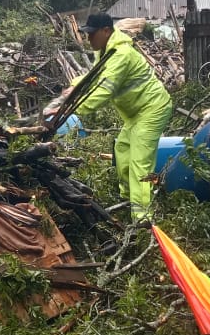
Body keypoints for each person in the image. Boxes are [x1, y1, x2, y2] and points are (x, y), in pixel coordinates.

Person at [71, 13, 172, 220]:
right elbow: (94, 78)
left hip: (153, 109)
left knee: (139, 163)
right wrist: (72, 88)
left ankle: (143, 220)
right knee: (122, 151)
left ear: (106, 31)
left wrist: (75, 108)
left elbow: (104, 90)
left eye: (92, 34)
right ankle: (129, 200)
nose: (89, 39)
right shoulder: (105, 51)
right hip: (135, 114)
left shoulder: (122, 54)